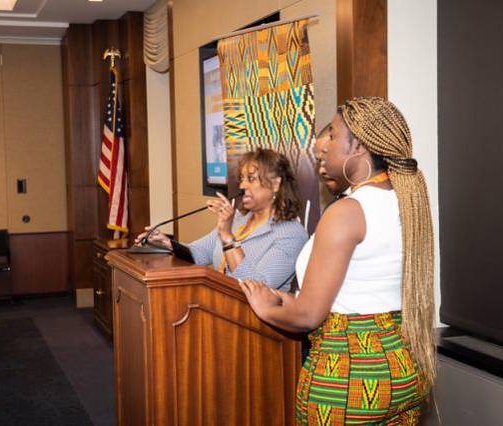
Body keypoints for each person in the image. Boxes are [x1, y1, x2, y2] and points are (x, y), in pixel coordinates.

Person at [239, 97, 435, 424]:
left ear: (357, 146)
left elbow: (308, 316)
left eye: (332, 134)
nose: (322, 143)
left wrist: (265, 308)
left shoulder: (346, 212)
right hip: (403, 364)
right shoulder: (406, 200)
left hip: (349, 375)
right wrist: (289, 298)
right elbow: (359, 288)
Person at [137, 148, 309, 291]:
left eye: (251, 179)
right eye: (241, 179)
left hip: (256, 325)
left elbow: (256, 286)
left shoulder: (291, 234)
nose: (242, 186)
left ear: (275, 184)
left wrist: (228, 237)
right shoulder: (239, 220)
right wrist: (168, 244)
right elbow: (199, 253)